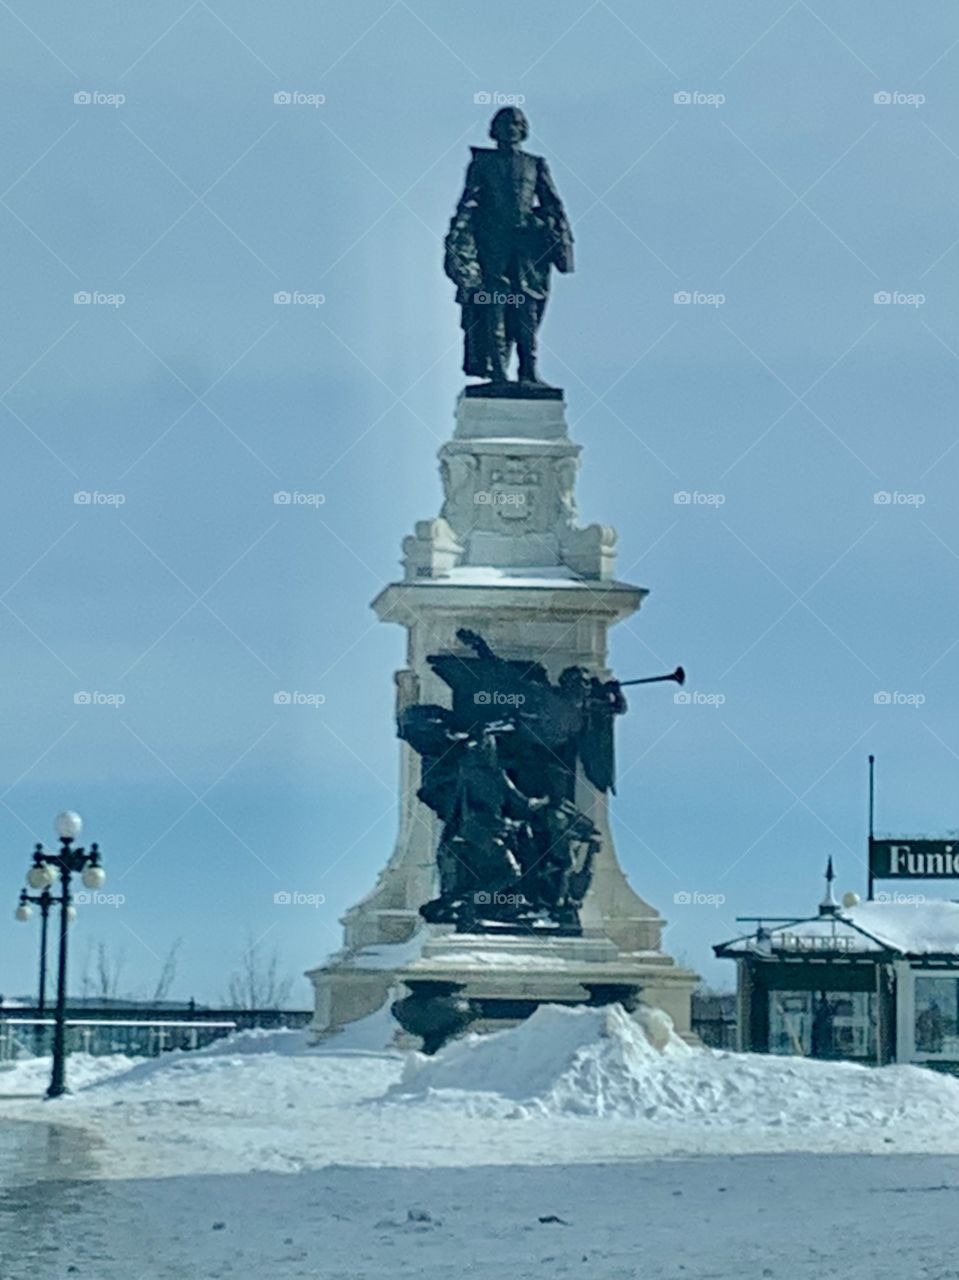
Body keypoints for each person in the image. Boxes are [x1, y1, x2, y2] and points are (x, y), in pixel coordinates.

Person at [445, 108, 573, 385]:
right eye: (504, 123)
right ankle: (498, 370)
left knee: (527, 305)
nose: (511, 128)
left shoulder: (535, 164)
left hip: (528, 248)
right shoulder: (483, 163)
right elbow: (469, 201)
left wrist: (551, 229)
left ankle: (528, 369)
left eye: (516, 123)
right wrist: (458, 235)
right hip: (492, 243)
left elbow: (552, 203)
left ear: (524, 129)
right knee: (494, 303)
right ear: (494, 130)